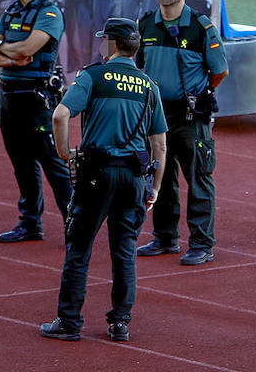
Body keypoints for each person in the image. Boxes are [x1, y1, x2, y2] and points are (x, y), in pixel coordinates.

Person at [40, 18, 167, 342]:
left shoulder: (93, 76)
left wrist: (64, 152)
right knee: (124, 251)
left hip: (96, 175)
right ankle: (120, 322)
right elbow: (159, 144)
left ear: (111, 44)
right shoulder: (148, 86)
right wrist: (154, 186)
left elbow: (60, 114)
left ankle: (69, 322)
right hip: (134, 178)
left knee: (79, 248)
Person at [136, 0, 228, 265]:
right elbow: (139, 65)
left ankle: (202, 243)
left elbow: (220, 70)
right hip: (156, 113)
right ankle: (165, 237)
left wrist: (199, 94)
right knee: (160, 174)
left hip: (189, 115)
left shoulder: (200, 27)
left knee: (198, 177)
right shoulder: (146, 24)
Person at [0, 0, 72, 243]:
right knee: (22, 164)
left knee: (53, 164)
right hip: (8, 97)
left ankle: (76, 223)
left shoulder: (50, 13)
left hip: (37, 99)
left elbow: (27, 49)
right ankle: (30, 223)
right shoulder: (9, 13)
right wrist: (11, 58)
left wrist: (5, 49)